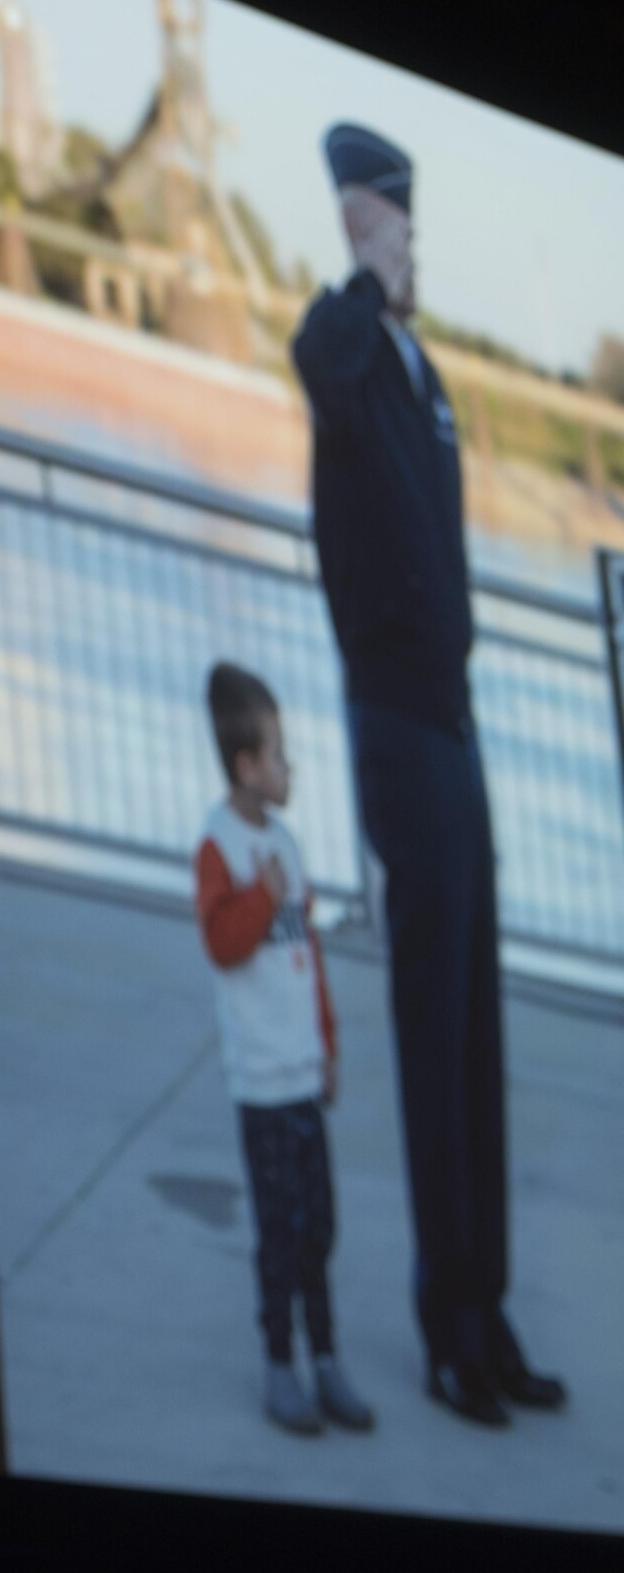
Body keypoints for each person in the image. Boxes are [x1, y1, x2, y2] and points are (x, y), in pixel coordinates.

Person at [292, 123, 566, 1426]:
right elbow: (322, 366)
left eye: (407, 228)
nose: (411, 248)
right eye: (391, 225)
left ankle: (488, 1312)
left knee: (476, 1029)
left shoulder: (426, 372)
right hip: (395, 724)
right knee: (428, 1031)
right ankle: (443, 1330)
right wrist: (357, 271)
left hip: (452, 725)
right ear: (360, 218)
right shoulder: (344, 346)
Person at [195, 662, 374, 1437]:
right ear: (244, 767)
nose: (287, 766)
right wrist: (259, 895)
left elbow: (310, 963)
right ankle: (279, 1363)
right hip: (261, 1084)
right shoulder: (220, 848)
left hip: (301, 1072)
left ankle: (326, 1358)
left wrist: (327, 1043)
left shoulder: (289, 845)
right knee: (280, 1231)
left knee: (320, 1225)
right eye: (275, 753)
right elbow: (222, 944)